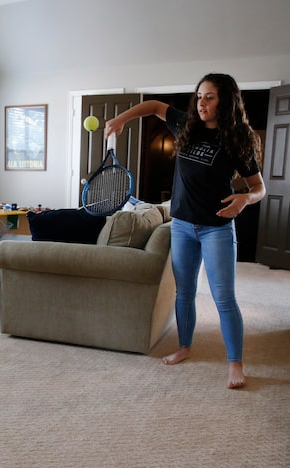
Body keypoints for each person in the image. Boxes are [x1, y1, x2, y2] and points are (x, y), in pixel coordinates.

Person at [105, 73, 266, 389]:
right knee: (185, 292)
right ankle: (185, 347)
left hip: (216, 228)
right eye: (200, 96)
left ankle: (235, 363)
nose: (202, 103)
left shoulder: (237, 139)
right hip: (181, 226)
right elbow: (152, 106)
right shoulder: (185, 124)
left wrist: (245, 199)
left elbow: (260, 187)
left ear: (226, 102)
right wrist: (120, 119)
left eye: (210, 97)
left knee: (224, 298)